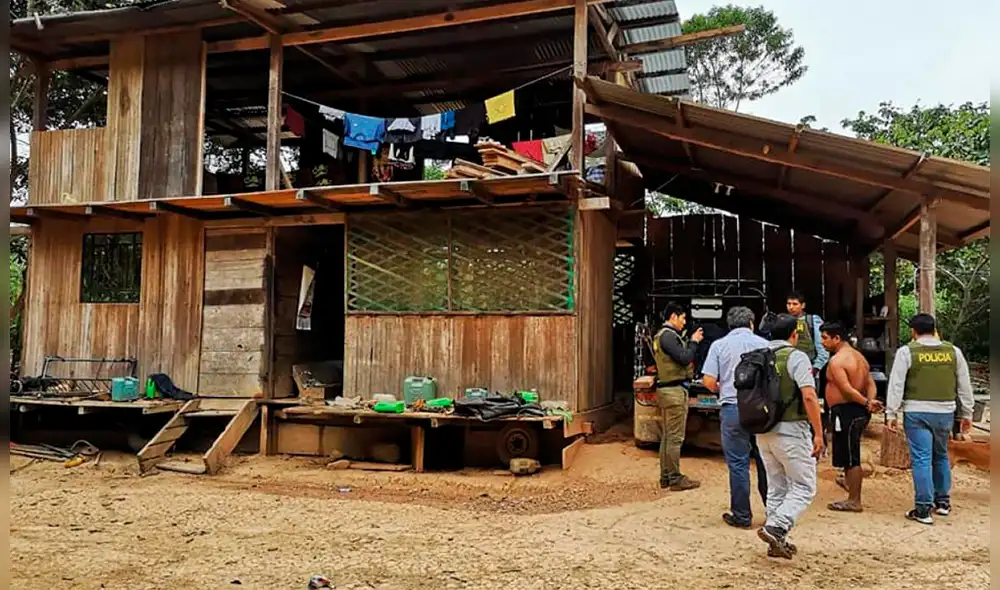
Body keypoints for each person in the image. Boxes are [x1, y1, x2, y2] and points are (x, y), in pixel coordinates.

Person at [886, 313, 974, 525]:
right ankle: (942, 502)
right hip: (945, 412)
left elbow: (896, 384)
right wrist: (967, 413)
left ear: (913, 332)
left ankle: (923, 509)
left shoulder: (907, 352)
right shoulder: (953, 352)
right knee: (941, 455)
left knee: (921, 459)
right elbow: (964, 384)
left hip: (917, 412)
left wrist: (891, 412)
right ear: (935, 329)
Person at [755, 314, 824, 559]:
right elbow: (808, 396)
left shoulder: (759, 355)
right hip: (792, 430)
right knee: (805, 486)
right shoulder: (796, 357)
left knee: (777, 485)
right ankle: (777, 526)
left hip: (763, 430)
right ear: (794, 334)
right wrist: (819, 433)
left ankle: (777, 539)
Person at [702, 306, 769, 529]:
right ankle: (774, 514)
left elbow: (709, 381)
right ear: (751, 323)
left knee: (738, 464)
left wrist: (724, 388)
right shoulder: (765, 345)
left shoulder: (718, 346)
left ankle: (742, 516)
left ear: (729, 325)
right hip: (762, 410)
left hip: (732, 408)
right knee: (766, 461)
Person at [820, 321, 883, 512]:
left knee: (850, 457)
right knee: (848, 452)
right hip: (858, 410)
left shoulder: (837, 361)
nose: (822, 342)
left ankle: (854, 500)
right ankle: (850, 485)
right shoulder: (860, 357)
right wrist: (869, 402)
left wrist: (866, 403)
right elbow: (871, 383)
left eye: (824, 338)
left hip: (847, 410)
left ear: (836, 338)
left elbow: (846, 389)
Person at [652, 302, 704, 491]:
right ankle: (675, 478)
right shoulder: (668, 336)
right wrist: (694, 342)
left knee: (667, 436)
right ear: (673, 316)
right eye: (683, 318)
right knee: (674, 437)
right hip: (674, 392)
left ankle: (665, 476)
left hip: (667, 390)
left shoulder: (662, 336)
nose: (684, 322)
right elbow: (684, 357)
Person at [784, 291, 829, 378]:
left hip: (810, 367)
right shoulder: (784, 321)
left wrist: (816, 368)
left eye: (795, 304)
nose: (791, 307)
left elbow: (822, 347)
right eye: (789, 304)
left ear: (803, 305)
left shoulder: (811, 321)